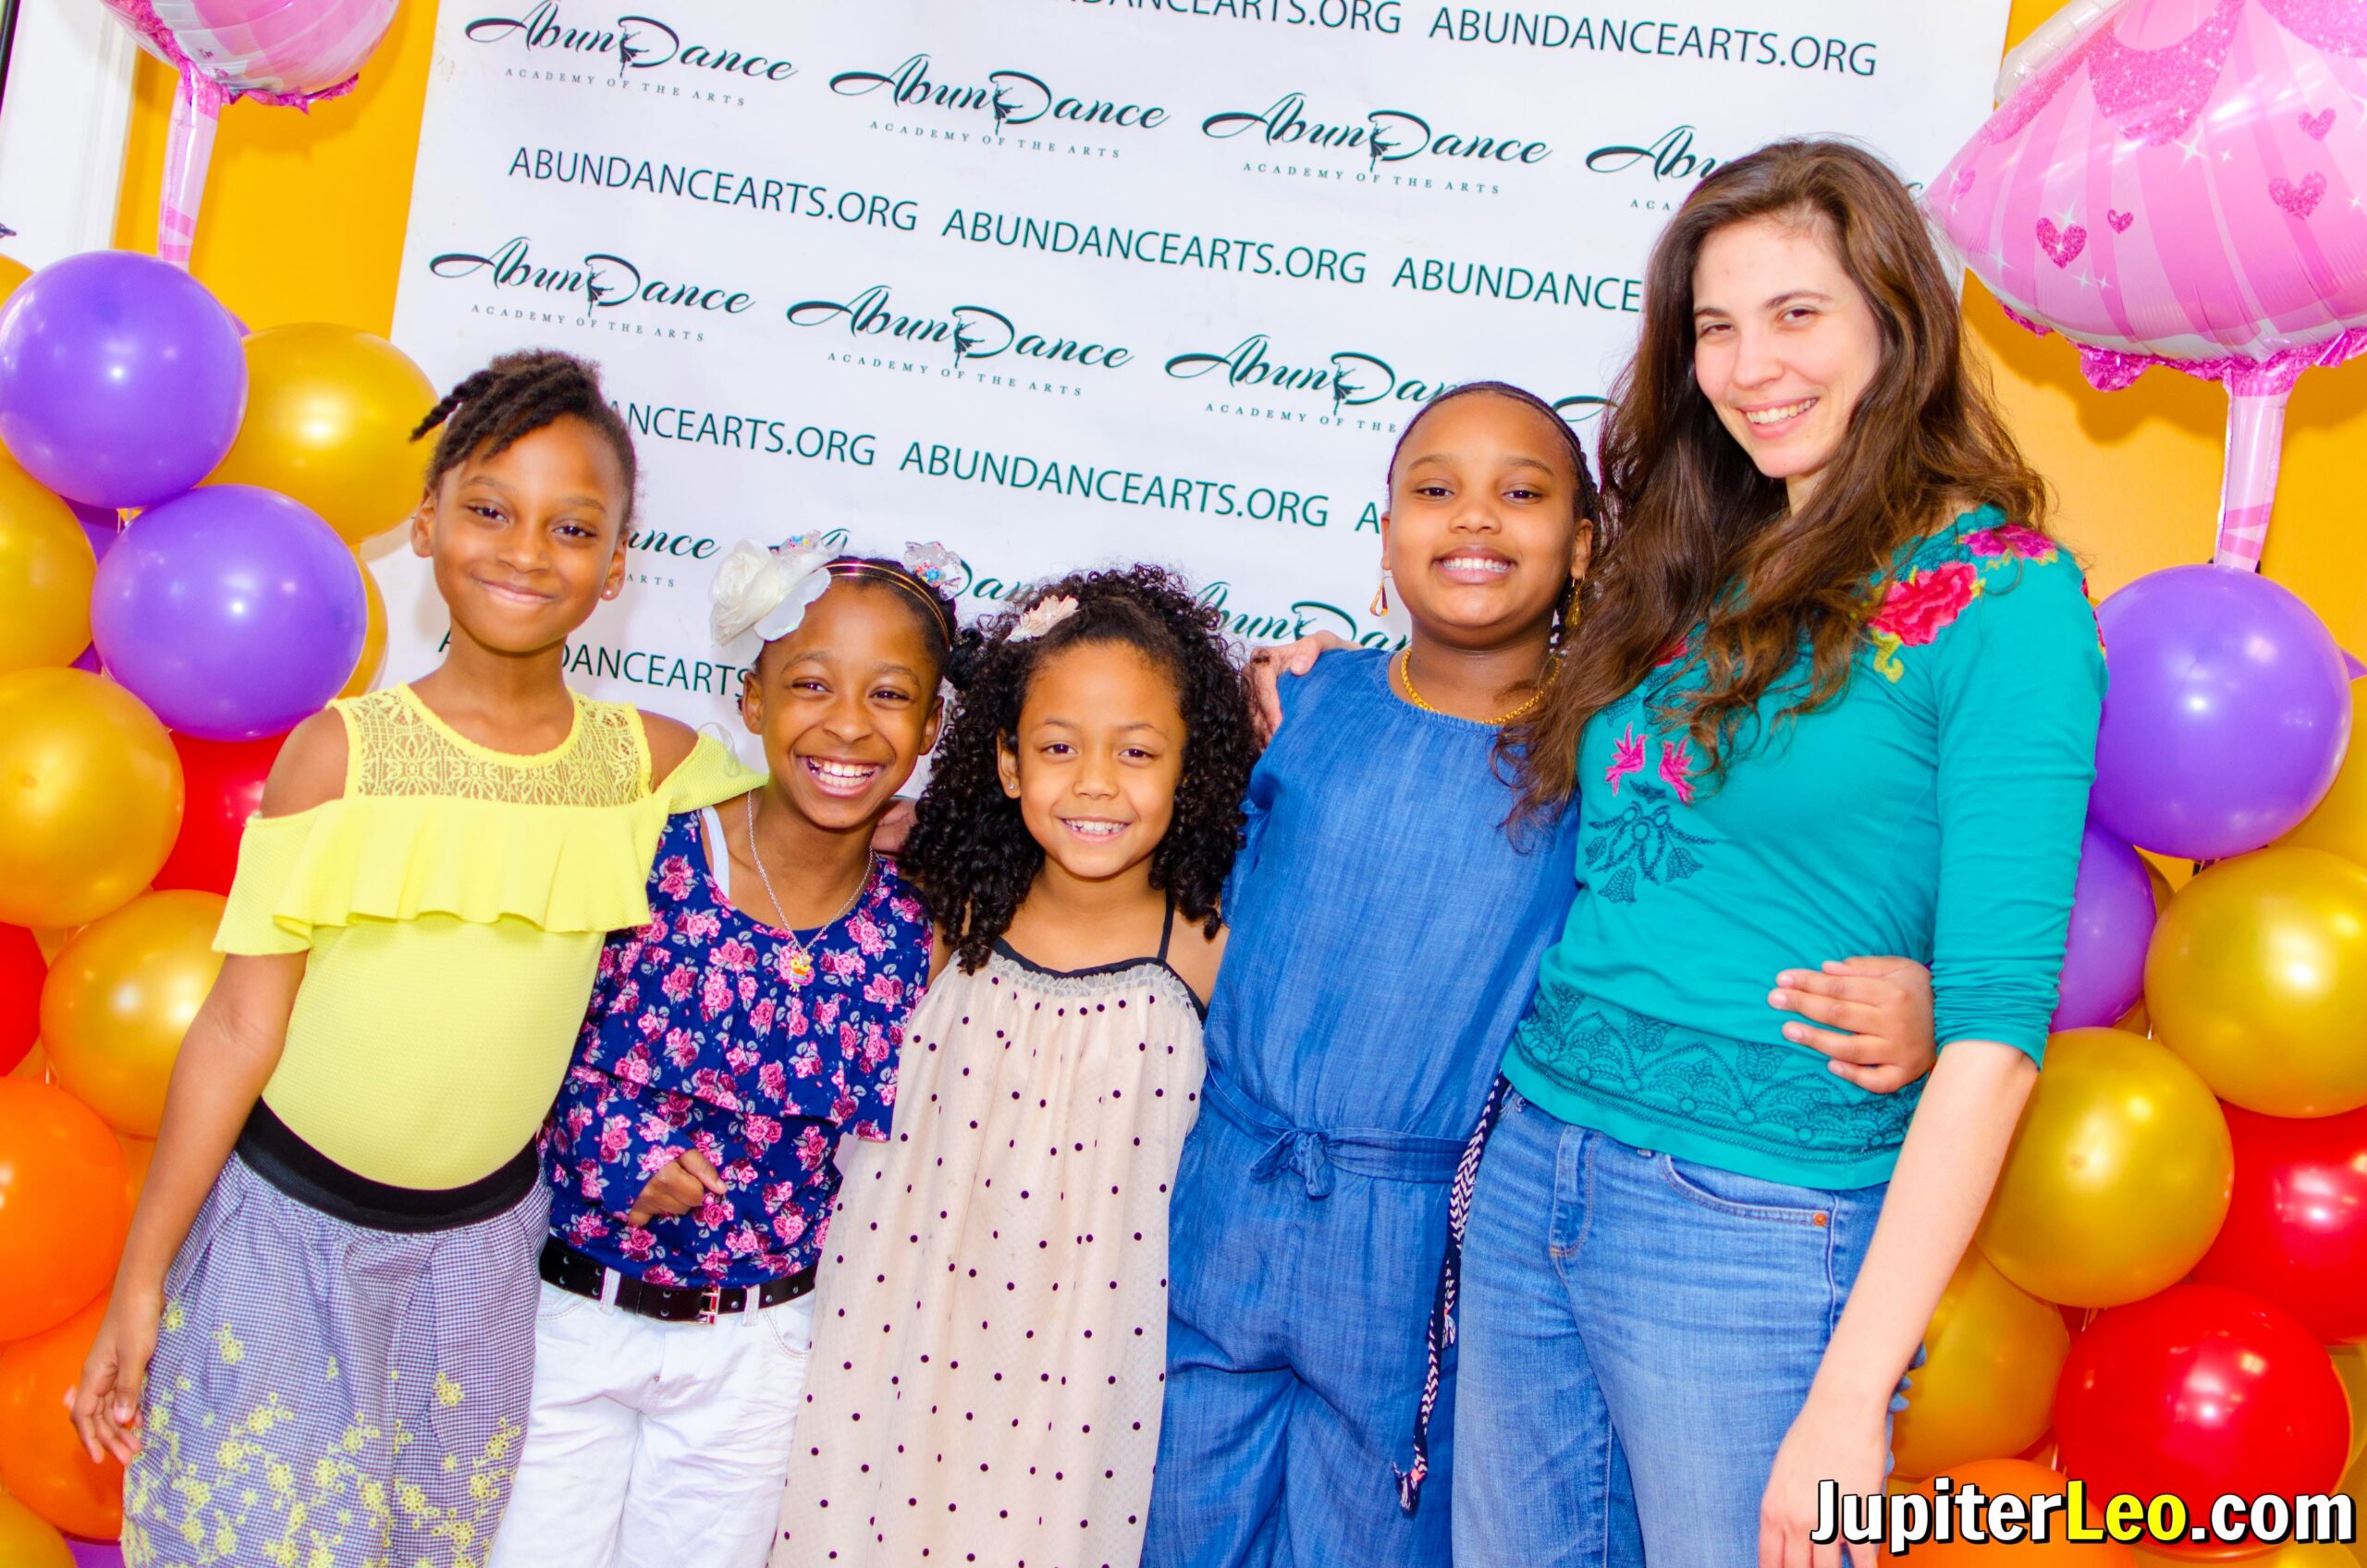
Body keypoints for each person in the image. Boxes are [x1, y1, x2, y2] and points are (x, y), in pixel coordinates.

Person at [1147, 381, 1943, 1568]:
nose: (1475, 519)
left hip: (1421, 1239)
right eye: (1435, 489)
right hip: (1229, 1188)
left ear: (1581, 548)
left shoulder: (1607, 750)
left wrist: (1922, 991)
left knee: (1376, 1532)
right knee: (1184, 1513)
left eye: (1522, 494)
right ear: (1383, 530)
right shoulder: (1307, 701)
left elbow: (1733, 897)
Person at [1452, 141, 2105, 1568]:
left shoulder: (2006, 595)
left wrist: (1849, 1399)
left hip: (1751, 1223)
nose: (1751, 368)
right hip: (1534, 1163)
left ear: (1898, 317)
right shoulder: (1703, 550)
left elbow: (1998, 1033)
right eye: (1716, 327)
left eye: (1797, 314)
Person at [71, 350, 763, 1567]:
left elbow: (826, 823)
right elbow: (239, 1028)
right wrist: (143, 1280)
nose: (523, 549)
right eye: (490, 509)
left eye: (571, 527)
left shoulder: (647, 762)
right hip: (284, 1236)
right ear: (428, 522)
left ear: (614, 570)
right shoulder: (341, 754)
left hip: (483, 1257)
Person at [488, 540, 971, 1568]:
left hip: (757, 1358)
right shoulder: (654, 848)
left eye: (890, 694)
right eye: (808, 684)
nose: (847, 723)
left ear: (931, 726)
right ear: (750, 701)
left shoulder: (916, 925)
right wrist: (615, 1144)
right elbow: (526, 1031)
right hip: (573, 1322)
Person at [776, 565, 1257, 1568]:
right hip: (899, 1324)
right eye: (1056, 748)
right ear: (1004, 762)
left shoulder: (1211, 945)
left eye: (1135, 751)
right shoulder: (942, 912)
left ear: (1190, 768)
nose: (1092, 782)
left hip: (1084, 1360)